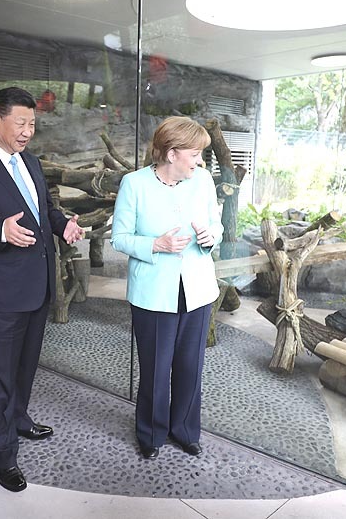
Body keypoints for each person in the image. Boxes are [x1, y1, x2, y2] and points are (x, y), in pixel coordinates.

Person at [0, 86, 84, 492]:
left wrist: (62, 225)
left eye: (32, 124)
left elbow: (44, 207)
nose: (28, 131)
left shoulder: (32, 162)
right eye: (21, 123)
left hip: (37, 284)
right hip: (0, 291)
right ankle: (1, 454)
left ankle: (18, 419)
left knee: (25, 366)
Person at [111, 116, 223, 460]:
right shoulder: (134, 184)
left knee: (190, 365)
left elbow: (215, 225)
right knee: (156, 369)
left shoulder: (202, 181)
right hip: (153, 293)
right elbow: (120, 238)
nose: (200, 161)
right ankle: (151, 433)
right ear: (172, 154)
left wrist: (210, 237)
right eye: (195, 154)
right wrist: (155, 245)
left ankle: (186, 431)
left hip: (198, 289)